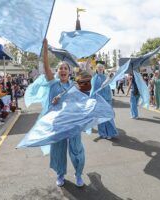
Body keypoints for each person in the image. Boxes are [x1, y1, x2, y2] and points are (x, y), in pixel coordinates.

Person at [42, 39, 85, 187]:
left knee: (77, 149)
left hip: (72, 123)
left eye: (65, 68)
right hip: (58, 123)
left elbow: (79, 103)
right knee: (58, 151)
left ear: (69, 71)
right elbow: (46, 67)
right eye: (60, 68)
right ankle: (60, 175)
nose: (63, 70)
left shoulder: (74, 86)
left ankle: (78, 174)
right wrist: (45, 50)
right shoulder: (53, 83)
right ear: (57, 72)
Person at [91, 64, 118, 139]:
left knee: (108, 116)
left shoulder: (107, 76)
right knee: (100, 117)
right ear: (96, 68)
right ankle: (102, 133)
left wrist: (110, 77)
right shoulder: (94, 75)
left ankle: (110, 132)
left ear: (103, 68)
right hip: (98, 99)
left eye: (101, 67)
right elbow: (87, 68)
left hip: (107, 98)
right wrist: (89, 57)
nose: (100, 68)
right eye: (99, 67)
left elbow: (110, 83)